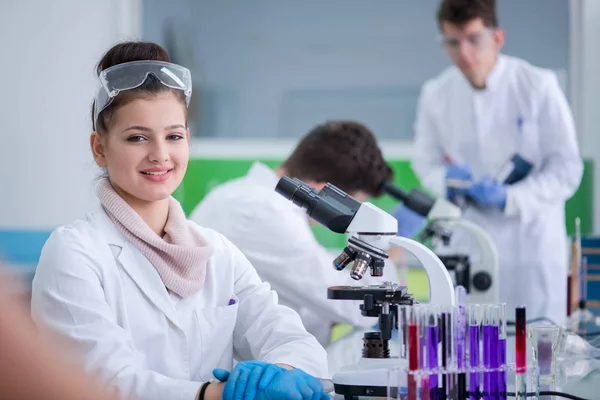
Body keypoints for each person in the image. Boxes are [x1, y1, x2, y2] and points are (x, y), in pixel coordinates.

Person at [30, 41, 330, 400]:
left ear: (187, 140)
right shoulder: (74, 253)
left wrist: (282, 374)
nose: (160, 155)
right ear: (99, 148)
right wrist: (219, 394)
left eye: (174, 136)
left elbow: (285, 334)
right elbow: (101, 382)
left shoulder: (216, 251)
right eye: (137, 137)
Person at [411, 0, 583, 324]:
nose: (463, 52)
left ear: (497, 38)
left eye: (473, 39)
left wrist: (510, 197)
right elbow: (425, 162)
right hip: (468, 242)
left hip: (530, 246)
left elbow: (567, 169)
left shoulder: (536, 85)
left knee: (536, 349)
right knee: (467, 347)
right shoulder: (436, 94)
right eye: (452, 42)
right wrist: (444, 180)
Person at [190, 121, 398, 346]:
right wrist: (389, 254)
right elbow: (359, 308)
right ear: (323, 193)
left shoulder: (236, 193)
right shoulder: (269, 212)